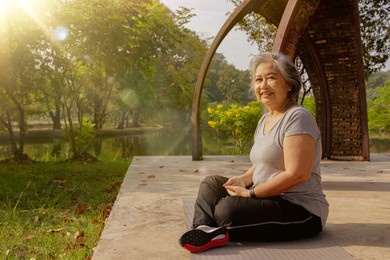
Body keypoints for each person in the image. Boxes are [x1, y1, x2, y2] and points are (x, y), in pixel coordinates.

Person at [178, 52, 329, 253]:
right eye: (258, 80)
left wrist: (251, 193)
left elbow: (298, 173)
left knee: (226, 209)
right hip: (268, 199)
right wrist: (243, 179)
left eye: (271, 78)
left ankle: (215, 226)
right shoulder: (265, 119)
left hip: (300, 210)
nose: (263, 86)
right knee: (212, 183)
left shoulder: (298, 117)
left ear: (289, 84)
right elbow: (262, 164)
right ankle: (204, 229)